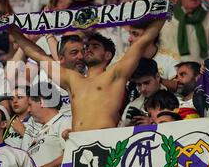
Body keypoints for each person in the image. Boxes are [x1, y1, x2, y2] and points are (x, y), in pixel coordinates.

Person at [9, 16, 166, 132]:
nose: (88, 49)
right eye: (87, 47)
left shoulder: (115, 74)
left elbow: (142, 42)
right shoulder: (72, 79)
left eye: (95, 46)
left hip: (105, 140)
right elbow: (39, 56)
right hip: (77, 143)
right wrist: (13, 31)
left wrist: (163, 15)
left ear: (107, 56)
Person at [25, 83, 71, 167]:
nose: (28, 110)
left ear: (42, 101)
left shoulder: (64, 123)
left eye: (30, 104)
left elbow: (70, 158)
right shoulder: (40, 131)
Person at [120, 58, 162, 127]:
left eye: (146, 83)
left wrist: (153, 124)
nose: (142, 89)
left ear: (157, 77)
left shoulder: (175, 100)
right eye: (139, 84)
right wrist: (130, 127)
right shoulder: (131, 107)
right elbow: (121, 133)